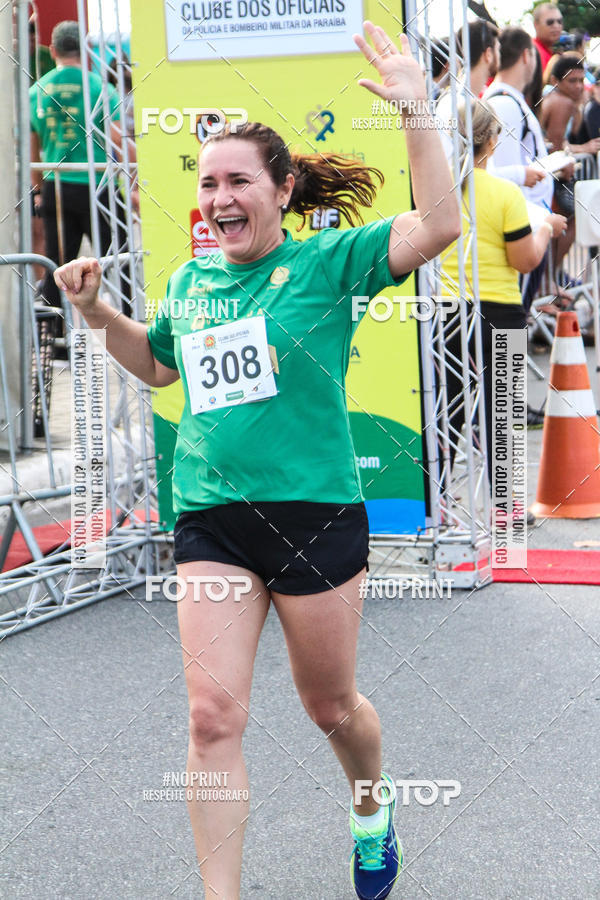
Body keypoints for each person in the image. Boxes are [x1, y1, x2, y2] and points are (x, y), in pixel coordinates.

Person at [53, 21, 460, 900]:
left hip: (314, 511)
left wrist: (415, 107)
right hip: (212, 516)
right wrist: (97, 317)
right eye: (207, 184)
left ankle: (369, 804)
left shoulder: (330, 262)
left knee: (330, 709)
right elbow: (158, 365)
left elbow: (440, 222)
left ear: (282, 191)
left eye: (239, 180)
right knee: (211, 718)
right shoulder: (192, 283)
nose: (219, 197)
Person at [440, 100, 566, 503]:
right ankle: (507, 510)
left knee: (447, 410)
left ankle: (433, 502)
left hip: (445, 311)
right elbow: (524, 260)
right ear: (491, 143)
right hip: (500, 311)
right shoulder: (504, 193)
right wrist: (545, 228)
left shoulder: (438, 191)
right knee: (505, 412)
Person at [30, 20, 132, 323]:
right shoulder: (99, 87)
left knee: (56, 264)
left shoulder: (37, 90)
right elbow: (117, 136)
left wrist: (38, 190)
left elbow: (32, 148)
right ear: (84, 50)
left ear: (53, 49)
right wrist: (142, 165)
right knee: (118, 257)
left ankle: (53, 336)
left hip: (55, 186)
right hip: (98, 186)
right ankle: (127, 322)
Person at [532, 3, 564, 73]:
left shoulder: (552, 53)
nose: (556, 26)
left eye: (559, 21)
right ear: (536, 24)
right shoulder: (532, 51)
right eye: (550, 22)